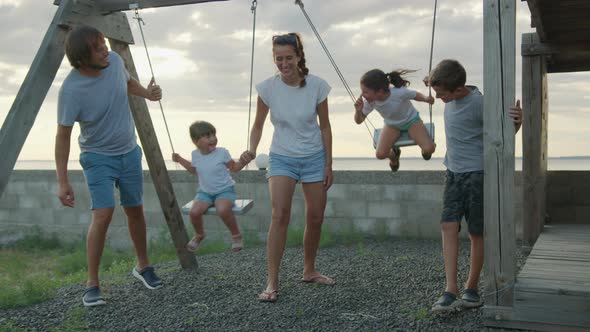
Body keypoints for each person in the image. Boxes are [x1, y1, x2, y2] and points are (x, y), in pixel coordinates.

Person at [55, 26, 163, 307]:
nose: (106, 50)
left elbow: (126, 83)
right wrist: (63, 181)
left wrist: (147, 95)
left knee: (135, 210)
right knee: (103, 214)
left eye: (104, 43)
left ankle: (143, 266)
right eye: (98, 47)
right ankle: (92, 284)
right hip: (97, 157)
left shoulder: (114, 61)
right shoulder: (71, 90)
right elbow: (63, 136)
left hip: (129, 152)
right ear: (81, 58)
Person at [239, 32, 335, 303]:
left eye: (288, 58)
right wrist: (252, 148)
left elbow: (325, 127)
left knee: (315, 217)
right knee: (280, 214)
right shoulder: (267, 88)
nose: (284, 64)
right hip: (281, 157)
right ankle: (272, 281)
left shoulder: (317, 86)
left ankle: (309, 270)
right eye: (278, 59)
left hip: (314, 157)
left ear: (299, 56)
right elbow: (258, 124)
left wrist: (328, 163)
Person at [425, 59, 522, 312]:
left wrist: (517, 122)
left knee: (477, 231)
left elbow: (503, 136)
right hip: (454, 172)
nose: (438, 97)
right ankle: (450, 289)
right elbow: (434, 81)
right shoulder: (447, 89)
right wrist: (431, 81)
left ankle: (471, 288)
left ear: (458, 90)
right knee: (448, 225)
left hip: (478, 174)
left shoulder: (480, 103)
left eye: (441, 94)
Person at [172, 121, 245, 253]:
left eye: (213, 135)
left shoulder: (222, 152)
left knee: (222, 210)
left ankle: (236, 235)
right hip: (205, 192)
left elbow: (234, 168)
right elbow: (193, 170)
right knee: (194, 212)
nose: (213, 138)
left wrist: (244, 161)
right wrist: (180, 159)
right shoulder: (195, 154)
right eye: (207, 136)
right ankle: (199, 234)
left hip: (224, 190)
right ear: (196, 141)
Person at [354, 69, 436, 171]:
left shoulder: (398, 92)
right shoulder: (370, 102)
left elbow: (415, 95)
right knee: (380, 154)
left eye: (365, 92)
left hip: (411, 121)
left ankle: (425, 149)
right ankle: (394, 156)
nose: (362, 95)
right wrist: (358, 111)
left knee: (429, 149)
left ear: (379, 91)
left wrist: (426, 99)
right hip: (392, 125)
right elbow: (359, 120)